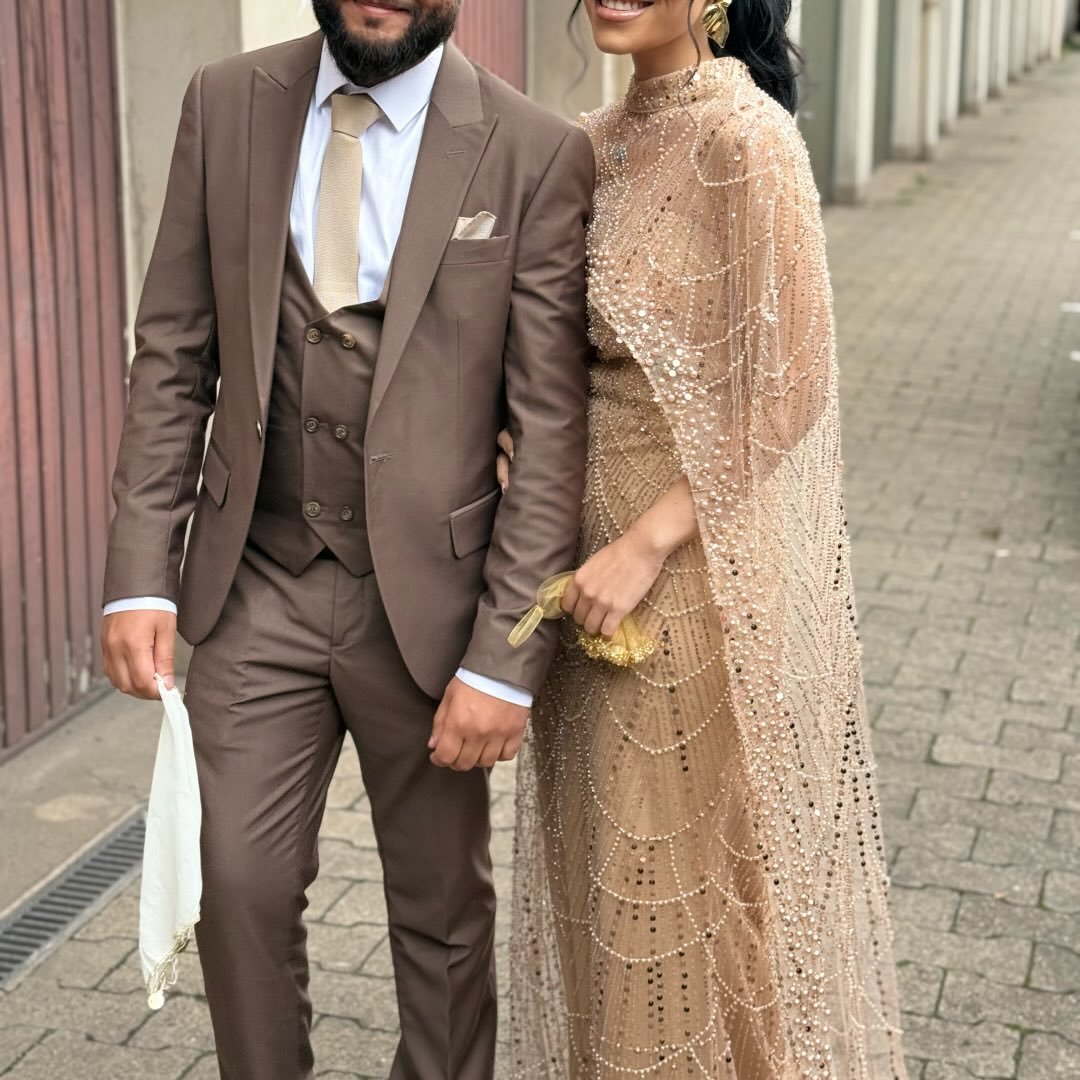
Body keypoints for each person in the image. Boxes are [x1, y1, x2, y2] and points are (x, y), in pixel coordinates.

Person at [100, 1, 593, 1076]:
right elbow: (173, 354)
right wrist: (139, 575)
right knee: (235, 885)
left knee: (442, 910)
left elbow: (552, 430)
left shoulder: (534, 150)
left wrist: (504, 661)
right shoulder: (225, 103)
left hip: (433, 601)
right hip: (254, 575)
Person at [507, 1, 909, 1077]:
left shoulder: (747, 139)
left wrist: (644, 545)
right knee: (598, 888)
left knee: (661, 901)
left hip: (681, 579)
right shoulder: (590, 141)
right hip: (573, 566)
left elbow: (793, 385)